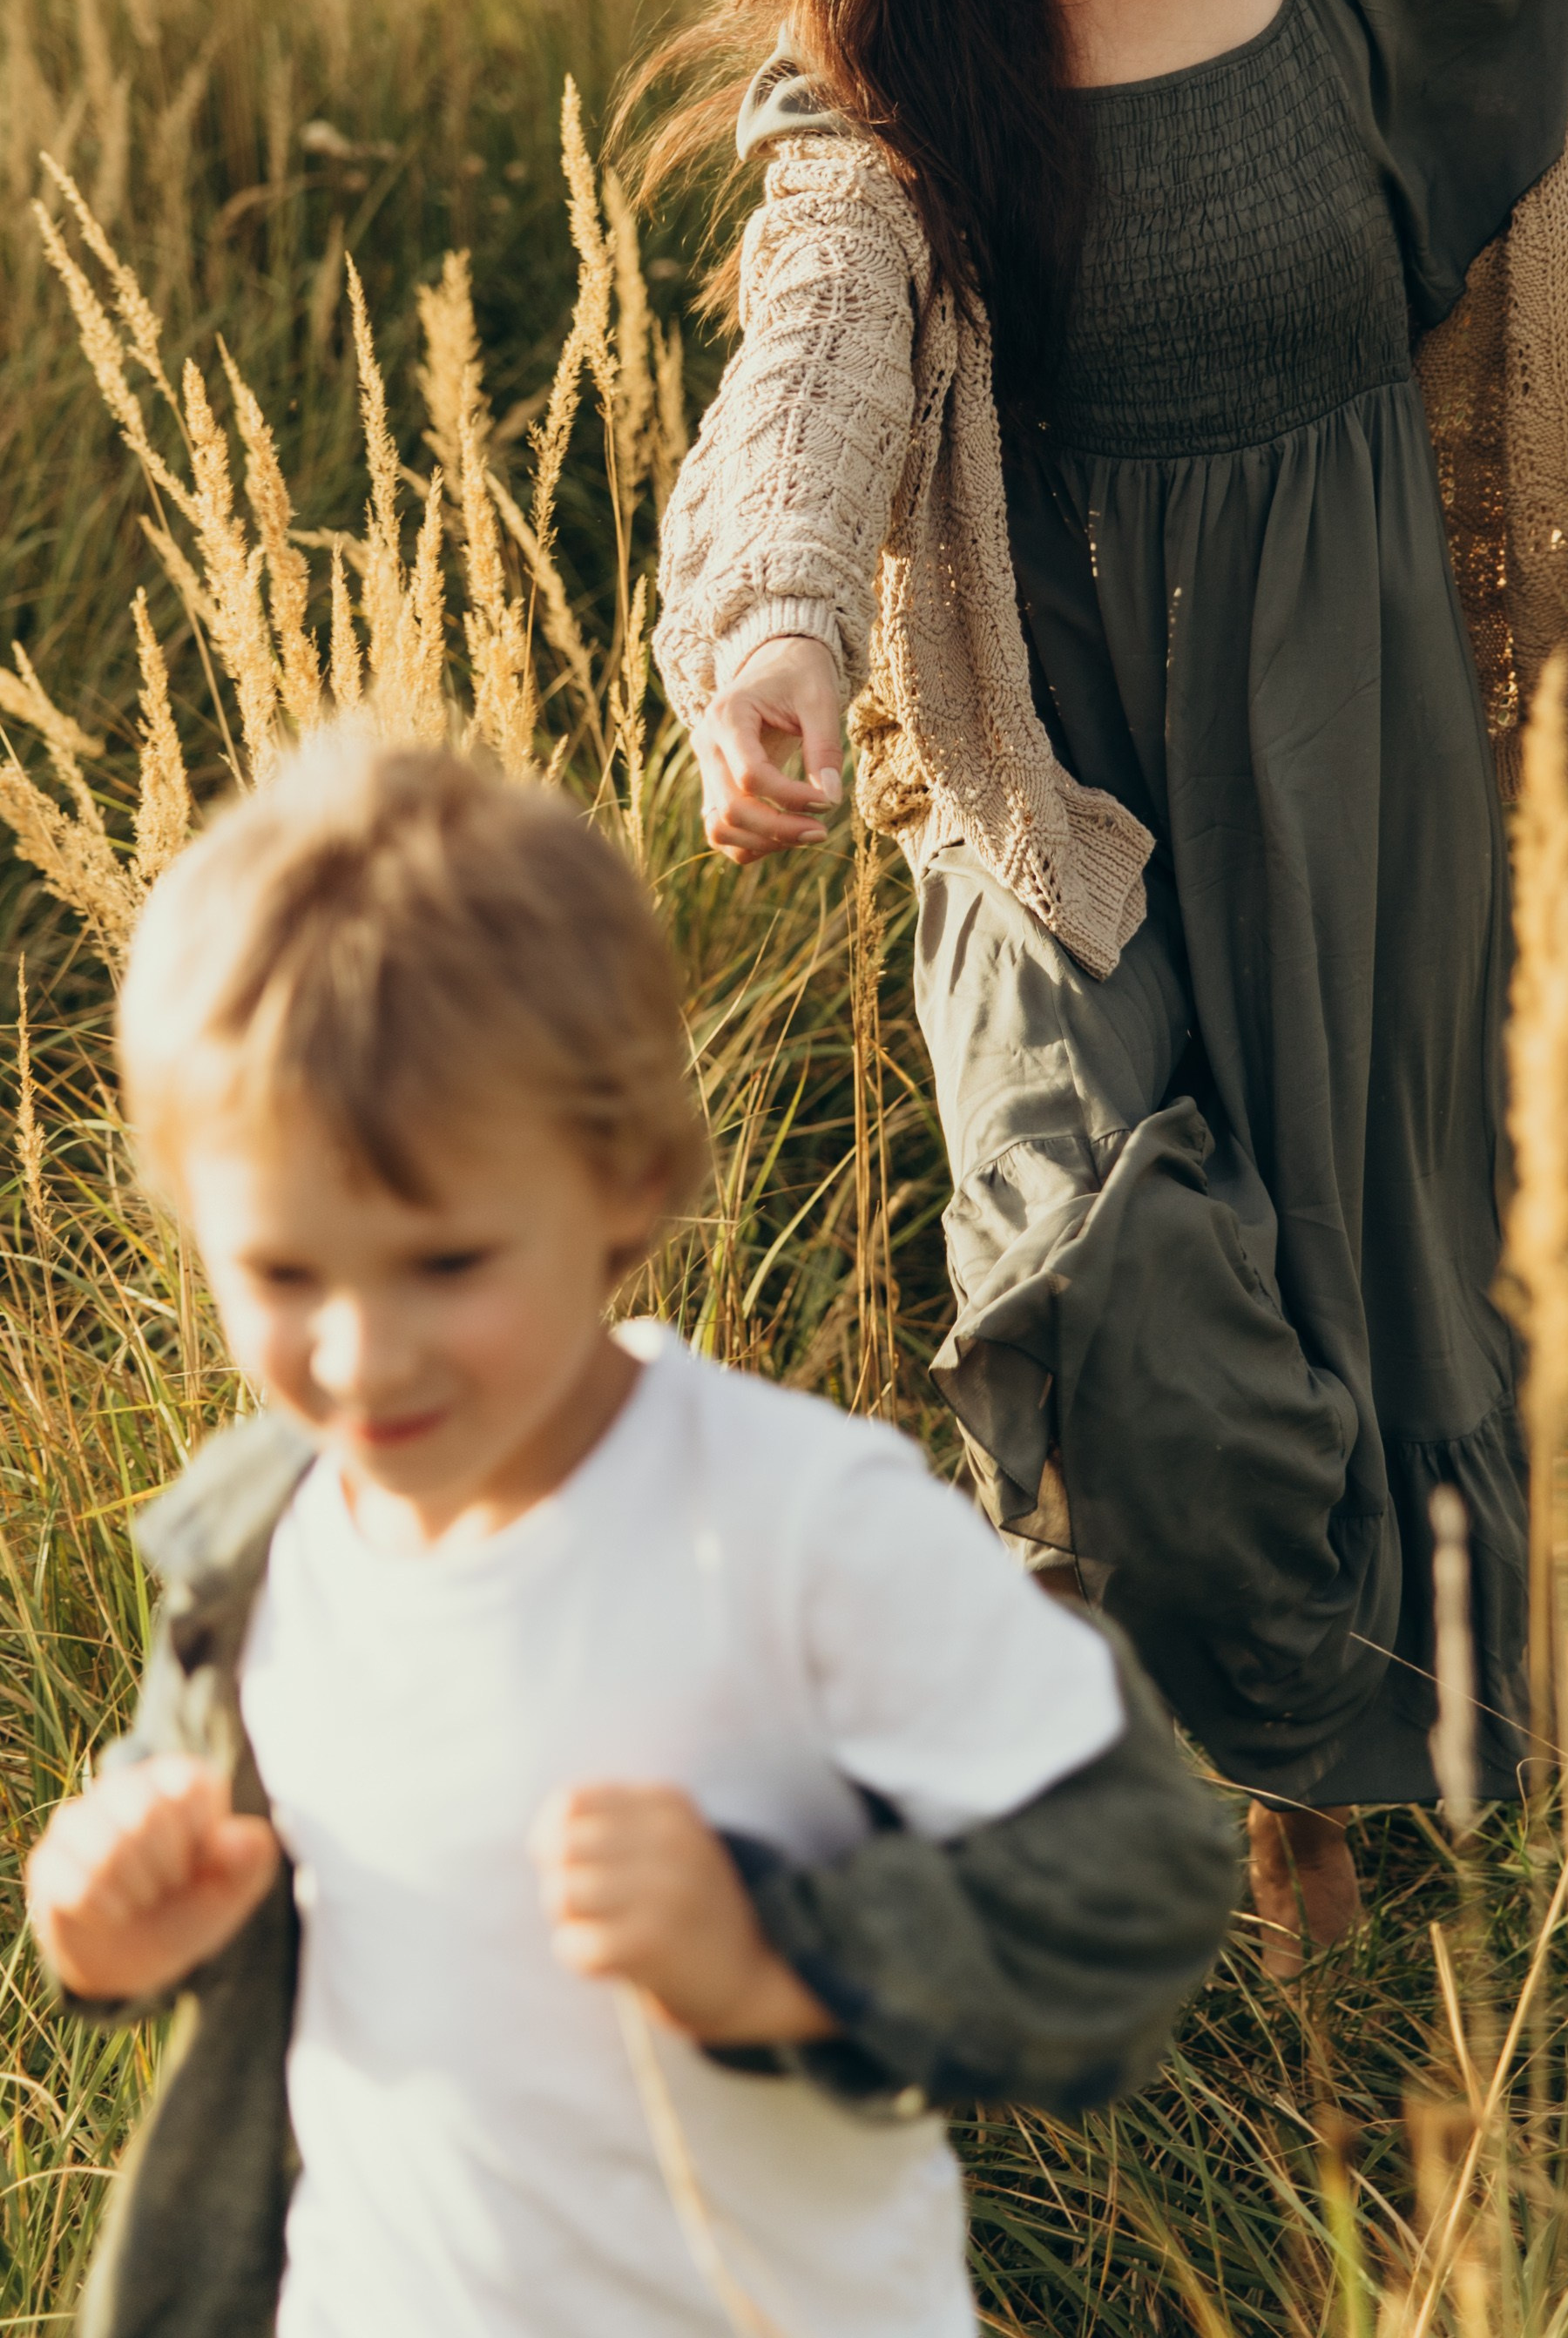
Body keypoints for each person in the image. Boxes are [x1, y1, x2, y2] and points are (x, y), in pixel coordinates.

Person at [639, 0, 1568, 1970]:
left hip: (1356, 705)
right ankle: (1256, 1765)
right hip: (1052, 761)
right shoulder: (903, 24)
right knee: (1108, 1286)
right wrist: (786, 627)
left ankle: (1327, 1870)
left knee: (1372, 1292)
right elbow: (818, 334)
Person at [27, 737, 1234, 2338]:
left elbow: (1142, 1877)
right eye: (288, 1278)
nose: (365, 1355)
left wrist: (774, 1956)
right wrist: (112, 1916)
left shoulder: (791, 1525)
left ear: (626, 1179)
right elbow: (208, 1826)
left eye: (448, 1264)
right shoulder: (266, 1549)